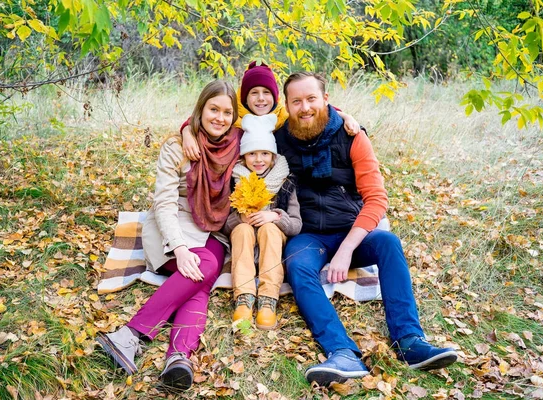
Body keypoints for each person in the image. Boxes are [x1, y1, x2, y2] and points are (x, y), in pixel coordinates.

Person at [274, 72, 458, 387]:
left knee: (387, 242)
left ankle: (409, 341)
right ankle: (342, 352)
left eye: (311, 99)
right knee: (297, 262)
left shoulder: (352, 136)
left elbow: (376, 199)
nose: (305, 107)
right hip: (309, 234)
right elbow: (240, 135)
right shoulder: (279, 141)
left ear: (326, 99)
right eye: (296, 101)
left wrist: (346, 249)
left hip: (351, 230)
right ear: (287, 105)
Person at [96, 80, 242, 391]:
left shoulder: (238, 146)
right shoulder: (177, 147)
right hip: (171, 225)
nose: (220, 118)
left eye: (227, 112)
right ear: (200, 110)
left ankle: (173, 358)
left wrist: (345, 118)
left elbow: (280, 117)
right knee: (202, 272)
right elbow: (162, 204)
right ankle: (139, 337)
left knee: (202, 277)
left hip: (212, 231)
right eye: (213, 109)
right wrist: (179, 248)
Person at [181, 61, 362, 161]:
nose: (261, 98)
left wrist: (345, 115)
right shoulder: (235, 116)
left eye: (266, 92)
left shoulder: (283, 114)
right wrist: (187, 132)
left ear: (275, 97)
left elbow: (316, 111)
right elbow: (200, 118)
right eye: (254, 93)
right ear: (244, 97)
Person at [222, 113, 302, 330]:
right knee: (241, 230)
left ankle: (268, 299)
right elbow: (224, 224)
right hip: (245, 244)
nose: (259, 159)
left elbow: (296, 224)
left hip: (272, 242)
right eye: (252, 154)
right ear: (243, 158)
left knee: (268, 229)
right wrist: (240, 217)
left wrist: (276, 216)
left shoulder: (285, 183)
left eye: (265, 153)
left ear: (273, 156)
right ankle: (244, 296)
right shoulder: (236, 181)